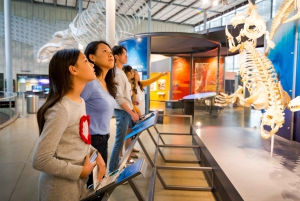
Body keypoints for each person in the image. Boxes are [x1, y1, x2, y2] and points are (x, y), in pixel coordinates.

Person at [32, 49, 106, 201]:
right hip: (59, 189)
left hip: (78, 185)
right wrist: (81, 171)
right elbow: (41, 159)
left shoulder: (80, 102)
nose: (92, 64)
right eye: (86, 60)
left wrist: (96, 154)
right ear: (73, 69)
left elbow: (78, 138)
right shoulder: (61, 109)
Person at [81, 41, 117, 187]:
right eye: (104, 51)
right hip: (91, 141)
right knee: (92, 184)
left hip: (104, 138)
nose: (110, 54)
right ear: (92, 57)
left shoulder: (107, 84)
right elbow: (75, 110)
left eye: (111, 52)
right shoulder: (90, 83)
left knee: (98, 182)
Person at [109, 45, 139, 173]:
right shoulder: (116, 73)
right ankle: (113, 170)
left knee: (121, 141)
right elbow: (118, 98)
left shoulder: (121, 72)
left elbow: (123, 96)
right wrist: (132, 112)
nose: (126, 56)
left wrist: (131, 102)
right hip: (122, 112)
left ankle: (116, 167)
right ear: (116, 56)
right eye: (123, 53)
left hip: (124, 111)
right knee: (119, 142)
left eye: (126, 53)